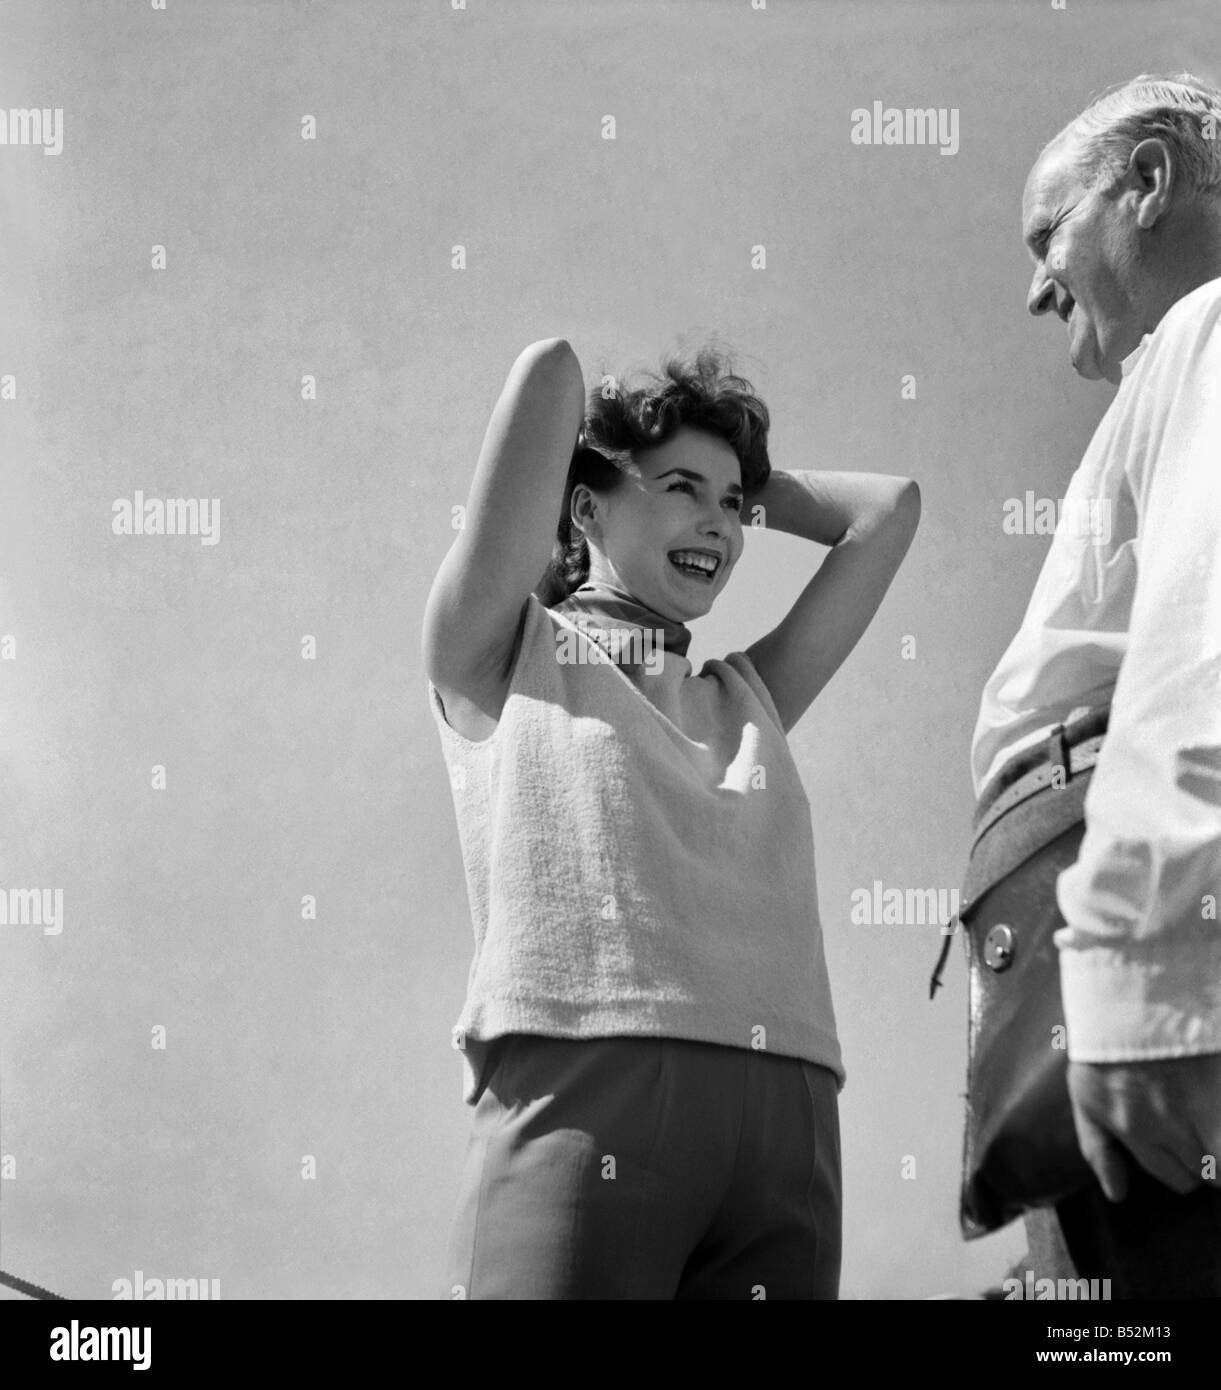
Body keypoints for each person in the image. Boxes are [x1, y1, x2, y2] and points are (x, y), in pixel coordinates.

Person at [421, 340, 919, 1298]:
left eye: (734, 505)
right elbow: (549, 372)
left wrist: (736, 484)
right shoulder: (498, 650)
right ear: (582, 505)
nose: (721, 527)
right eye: (681, 489)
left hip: (790, 1114)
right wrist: (628, 438)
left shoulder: (747, 698)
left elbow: (886, 509)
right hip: (584, 1085)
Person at [967, 73, 1221, 1296]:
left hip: (1140, 1005)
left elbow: (1202, 645)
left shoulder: (1212, 326)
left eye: (1046, 234)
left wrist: (1134, 981)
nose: (1033, 289)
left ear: (1151, 182)